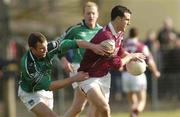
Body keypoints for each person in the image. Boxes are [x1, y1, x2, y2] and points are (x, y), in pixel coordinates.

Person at [78, 5, 146, 117]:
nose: (129, 23)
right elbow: (117, 64)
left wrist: (130, 56)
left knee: (95, 112)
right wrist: (130, 56)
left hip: (103, 77)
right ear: (119, 19)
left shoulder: (118, 33)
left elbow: (119, 50)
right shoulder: (107, 37)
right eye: (127, 20)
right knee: (104, 109)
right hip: (89, 77)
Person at [18, 32, 106, 117]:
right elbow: (50, 86)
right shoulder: (28, 65)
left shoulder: (49, 47)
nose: (45, 51)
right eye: (41, 49)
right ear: (32, 49)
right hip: (30, 93)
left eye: (45, 47)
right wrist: (75, 78)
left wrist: (93, 46)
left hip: (45, 91)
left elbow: (75, 43)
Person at [59, 1, 102, 117]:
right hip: (79, 69)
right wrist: (62, 58)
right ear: (83, 15)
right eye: (88, 13)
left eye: (93, 13)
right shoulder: (74, 29)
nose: (91, 16)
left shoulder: (102, 31)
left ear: (97, 14)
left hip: (96, 70)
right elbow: (58, 45)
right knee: (97, 102)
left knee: (78, 107)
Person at [122, 27, 160, 117]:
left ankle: (133, 113)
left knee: (132, 101)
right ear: (138, 35)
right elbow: (150, 61)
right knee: (142, 100)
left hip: (125, 75)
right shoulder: (142, 46)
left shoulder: (123, 45)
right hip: (138, 75)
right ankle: (136, 111)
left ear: (129, 34)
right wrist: (155, 72)